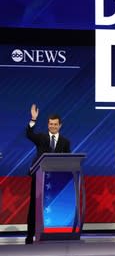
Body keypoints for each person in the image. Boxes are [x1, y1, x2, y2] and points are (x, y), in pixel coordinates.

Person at [25, 104, 71, 244]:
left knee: (56, 205)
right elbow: (29, 134)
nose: (53, 126)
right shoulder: (41, 138)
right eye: (50, 124)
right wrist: (33, 120)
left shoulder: (65, 142)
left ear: (60, 125)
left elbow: (68, 160)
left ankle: (55, 232)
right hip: (39, 177)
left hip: (57, 179)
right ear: (48, 125)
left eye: (55, 124)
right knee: (34, 205)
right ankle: (30, 234)